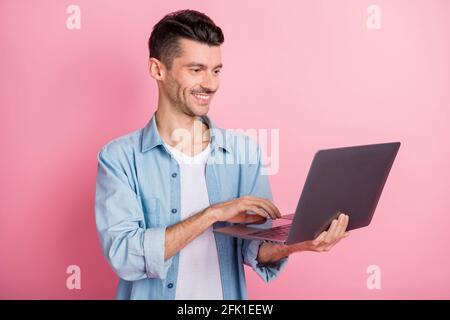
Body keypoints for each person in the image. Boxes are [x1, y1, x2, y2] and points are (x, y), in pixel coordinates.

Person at [94, 9, 350, 300]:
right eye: (196, 69)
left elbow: (254, 248)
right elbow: (125, 255)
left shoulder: (243, 152)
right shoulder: (119, 159)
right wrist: (213, 214)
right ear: (157, 69)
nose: (211, 84)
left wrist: (296, 244)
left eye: (216, 70)